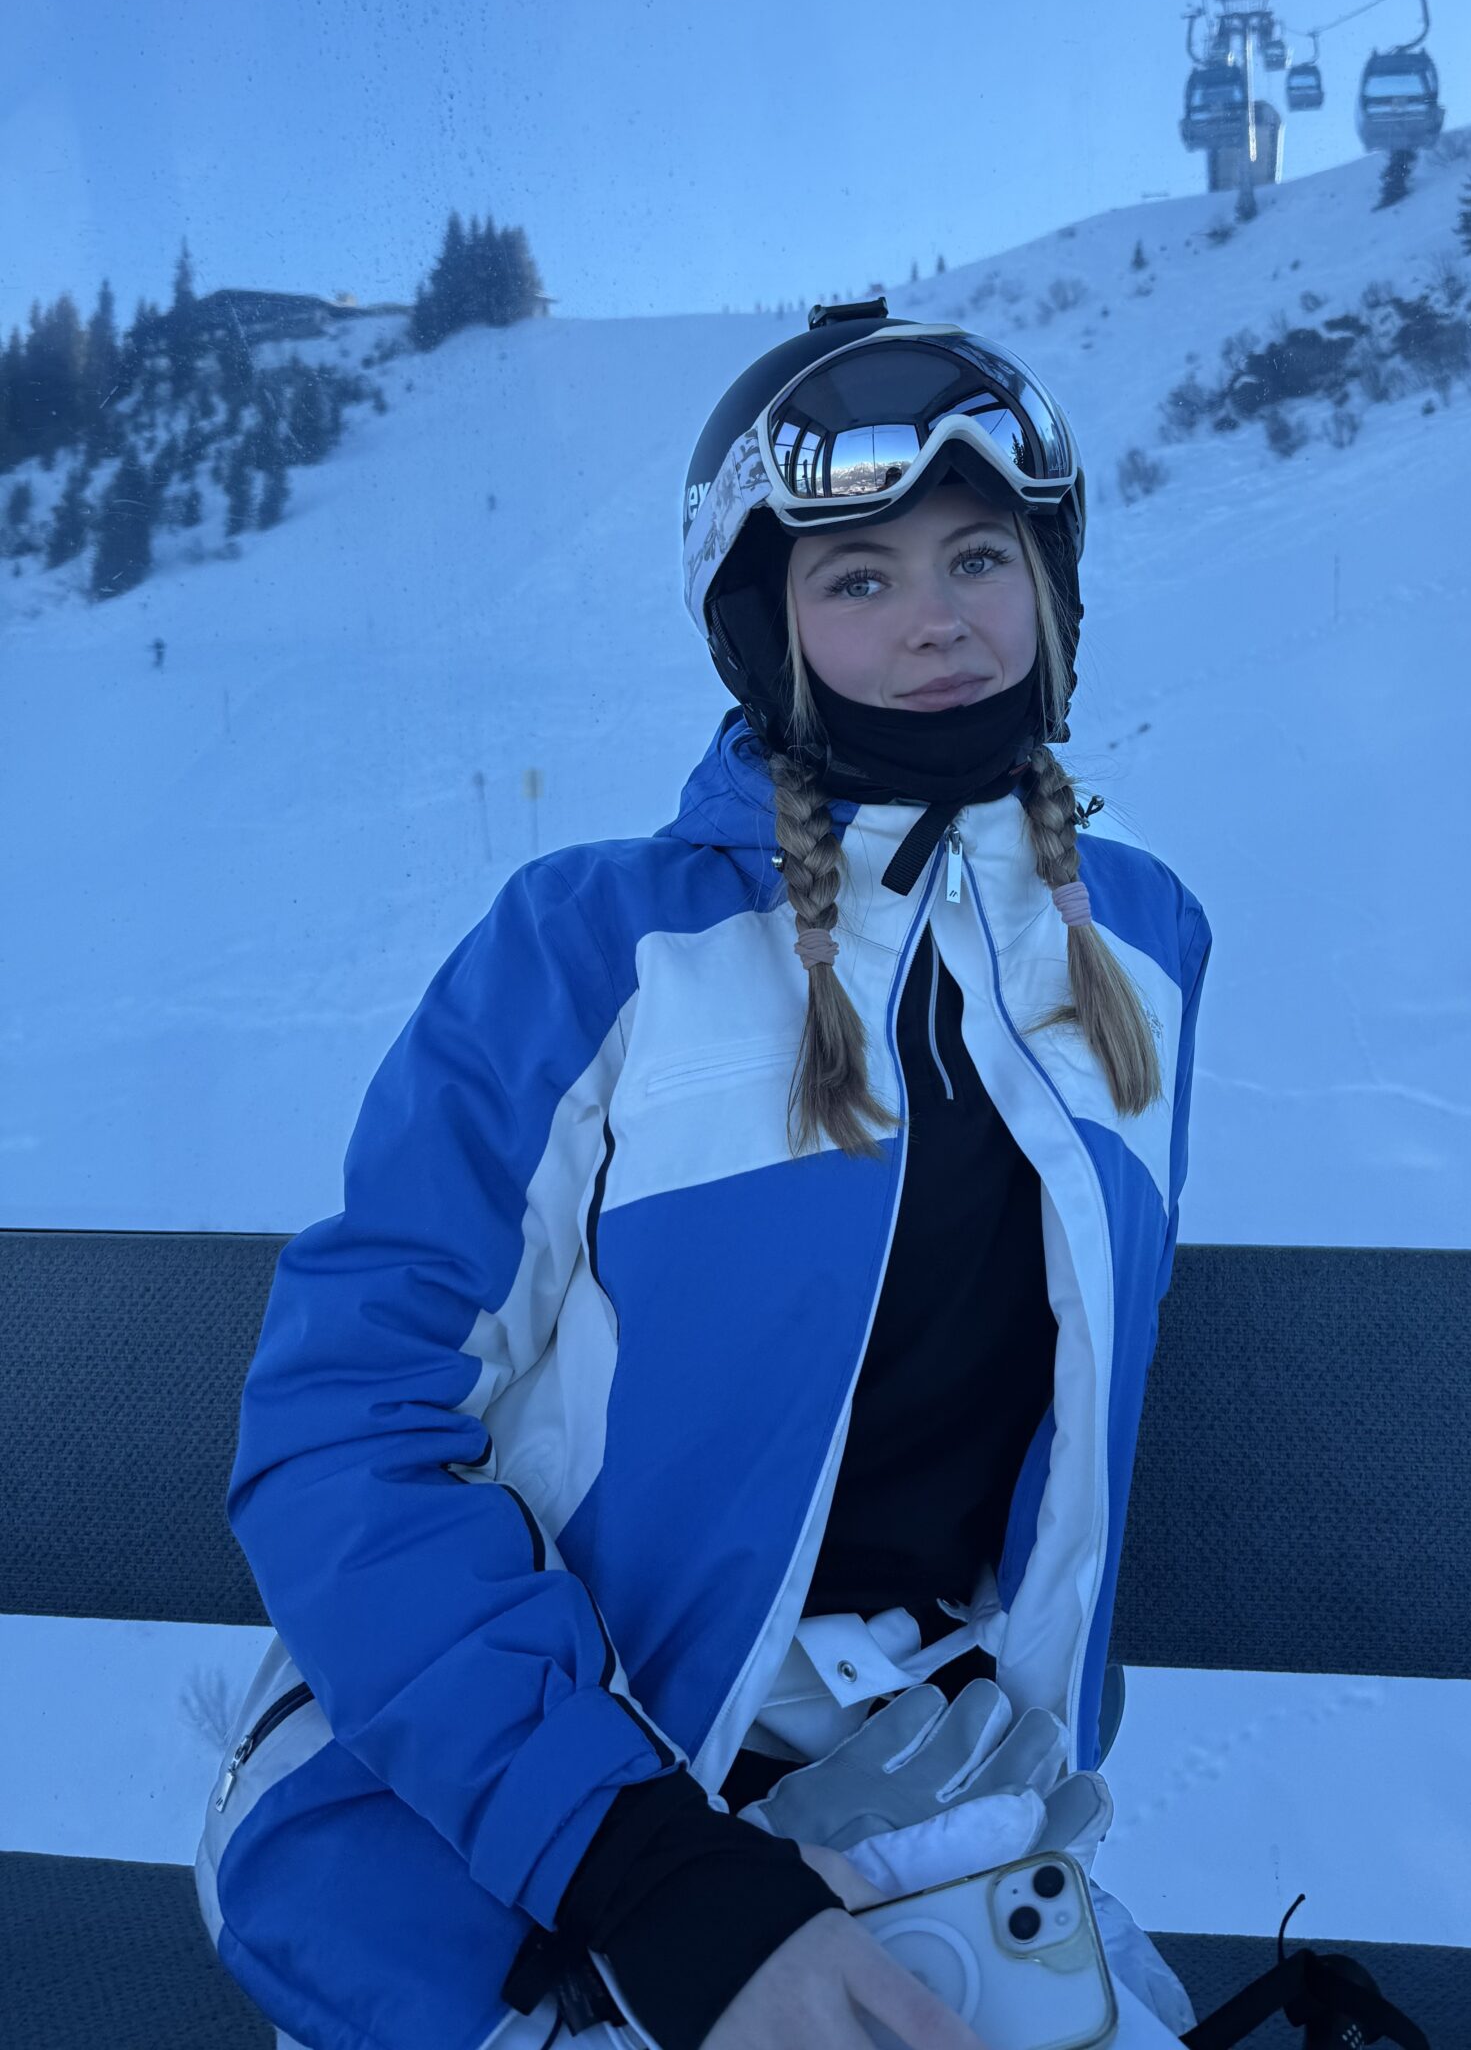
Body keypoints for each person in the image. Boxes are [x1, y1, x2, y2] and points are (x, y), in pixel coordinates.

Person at [196, 302, 1212, 2050]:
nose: (940, 619)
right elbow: (344, 1426)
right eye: (860, 579)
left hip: (938, 1783)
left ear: (1051, 588)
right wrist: (640, 1866)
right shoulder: (596, 951)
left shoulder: (1142, 946)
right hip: (577, 1803)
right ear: (765, 631)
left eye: (980, 557)